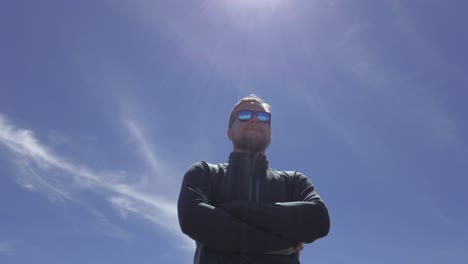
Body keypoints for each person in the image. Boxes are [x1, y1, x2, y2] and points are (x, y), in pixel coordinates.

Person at [178, 94, 330, 264]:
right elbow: (193, 219)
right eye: (244, 115)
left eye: (263, 117)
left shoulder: (293, 181)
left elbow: (319, 220)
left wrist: (233, 209)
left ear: (270, 132)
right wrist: (286, 243)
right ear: (229, 132)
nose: (255, 120)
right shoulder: (205, 173)